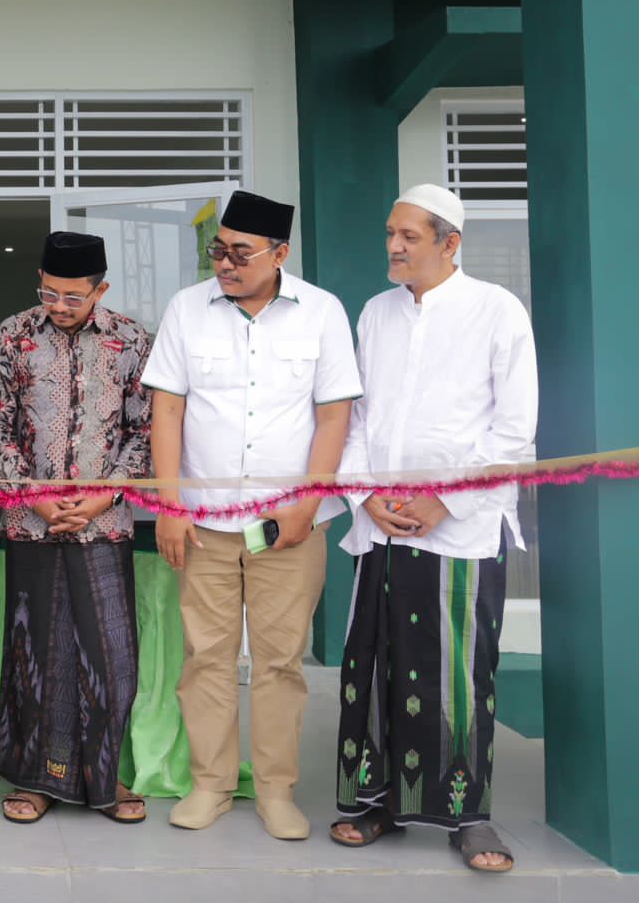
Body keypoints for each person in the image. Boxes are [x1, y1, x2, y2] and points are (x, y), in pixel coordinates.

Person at [140, 189, 361, 840]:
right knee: (206, 657)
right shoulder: (188, 309)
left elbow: (334, 416)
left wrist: (308, 502)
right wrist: (170, 507)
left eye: (241, 253)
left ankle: (275, 790)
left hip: (289, 528)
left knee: (279, 660)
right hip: (204, 523)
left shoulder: (322, 313)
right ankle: (211, 783)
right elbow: (168, 412)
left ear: (280, 253)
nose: (226, 264)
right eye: (219, 250)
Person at [329, 184, 536, 874]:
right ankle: (375, 801)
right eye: (391, 232)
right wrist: (364, 497)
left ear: (450, 243)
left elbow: (514, 428)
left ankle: (467, 816)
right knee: (376, 663)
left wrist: (445, 503)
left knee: (455, 672)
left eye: (409, 235)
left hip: (459, 531)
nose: (393, 245)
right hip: (382, 524)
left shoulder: (496, 310)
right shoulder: (376, 312)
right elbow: (358, 420)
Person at [0, 231, 152, 826]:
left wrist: (105, 495)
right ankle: (39, 780)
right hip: (32, 524)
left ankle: (105, 780)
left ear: (100, 289)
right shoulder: (12, 335)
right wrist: (34, 496)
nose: (58, 305)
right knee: (40, 652)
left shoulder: (132, 341)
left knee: (111, 656)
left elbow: (144, 433)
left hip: (106, 526)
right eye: (49, 293)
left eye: (73, 296)